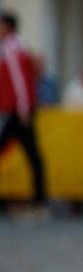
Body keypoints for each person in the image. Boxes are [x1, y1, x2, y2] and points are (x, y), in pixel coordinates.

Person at [0, 12, 49, 222]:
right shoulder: (19, 45)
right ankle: (39, 200)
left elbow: (19, 81)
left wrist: (22, 109)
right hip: (20, 110)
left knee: (33, 156)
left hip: (17, 112)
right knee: (34, 156)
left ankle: (39, 201)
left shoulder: (11, 47)